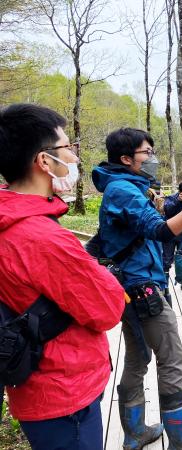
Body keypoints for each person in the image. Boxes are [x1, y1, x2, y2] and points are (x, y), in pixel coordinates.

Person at [92, 127, 182, 450]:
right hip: (142, 289)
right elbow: (161, 231)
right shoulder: (124, 191)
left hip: (131, 287)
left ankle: (135, 433)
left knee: (138, 358)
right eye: (147, 153)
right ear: (126, 159)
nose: (153, 158)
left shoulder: (125, 188)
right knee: (172, 358)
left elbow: (104, 240)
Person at [0, 103, 125, 450]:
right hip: (64, 392)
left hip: (33, 388)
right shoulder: (43, 238)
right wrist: (102, 275)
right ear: (43, 161)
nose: (73, 156)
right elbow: (107, 309)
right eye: (68, 147)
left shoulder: (7, 219)